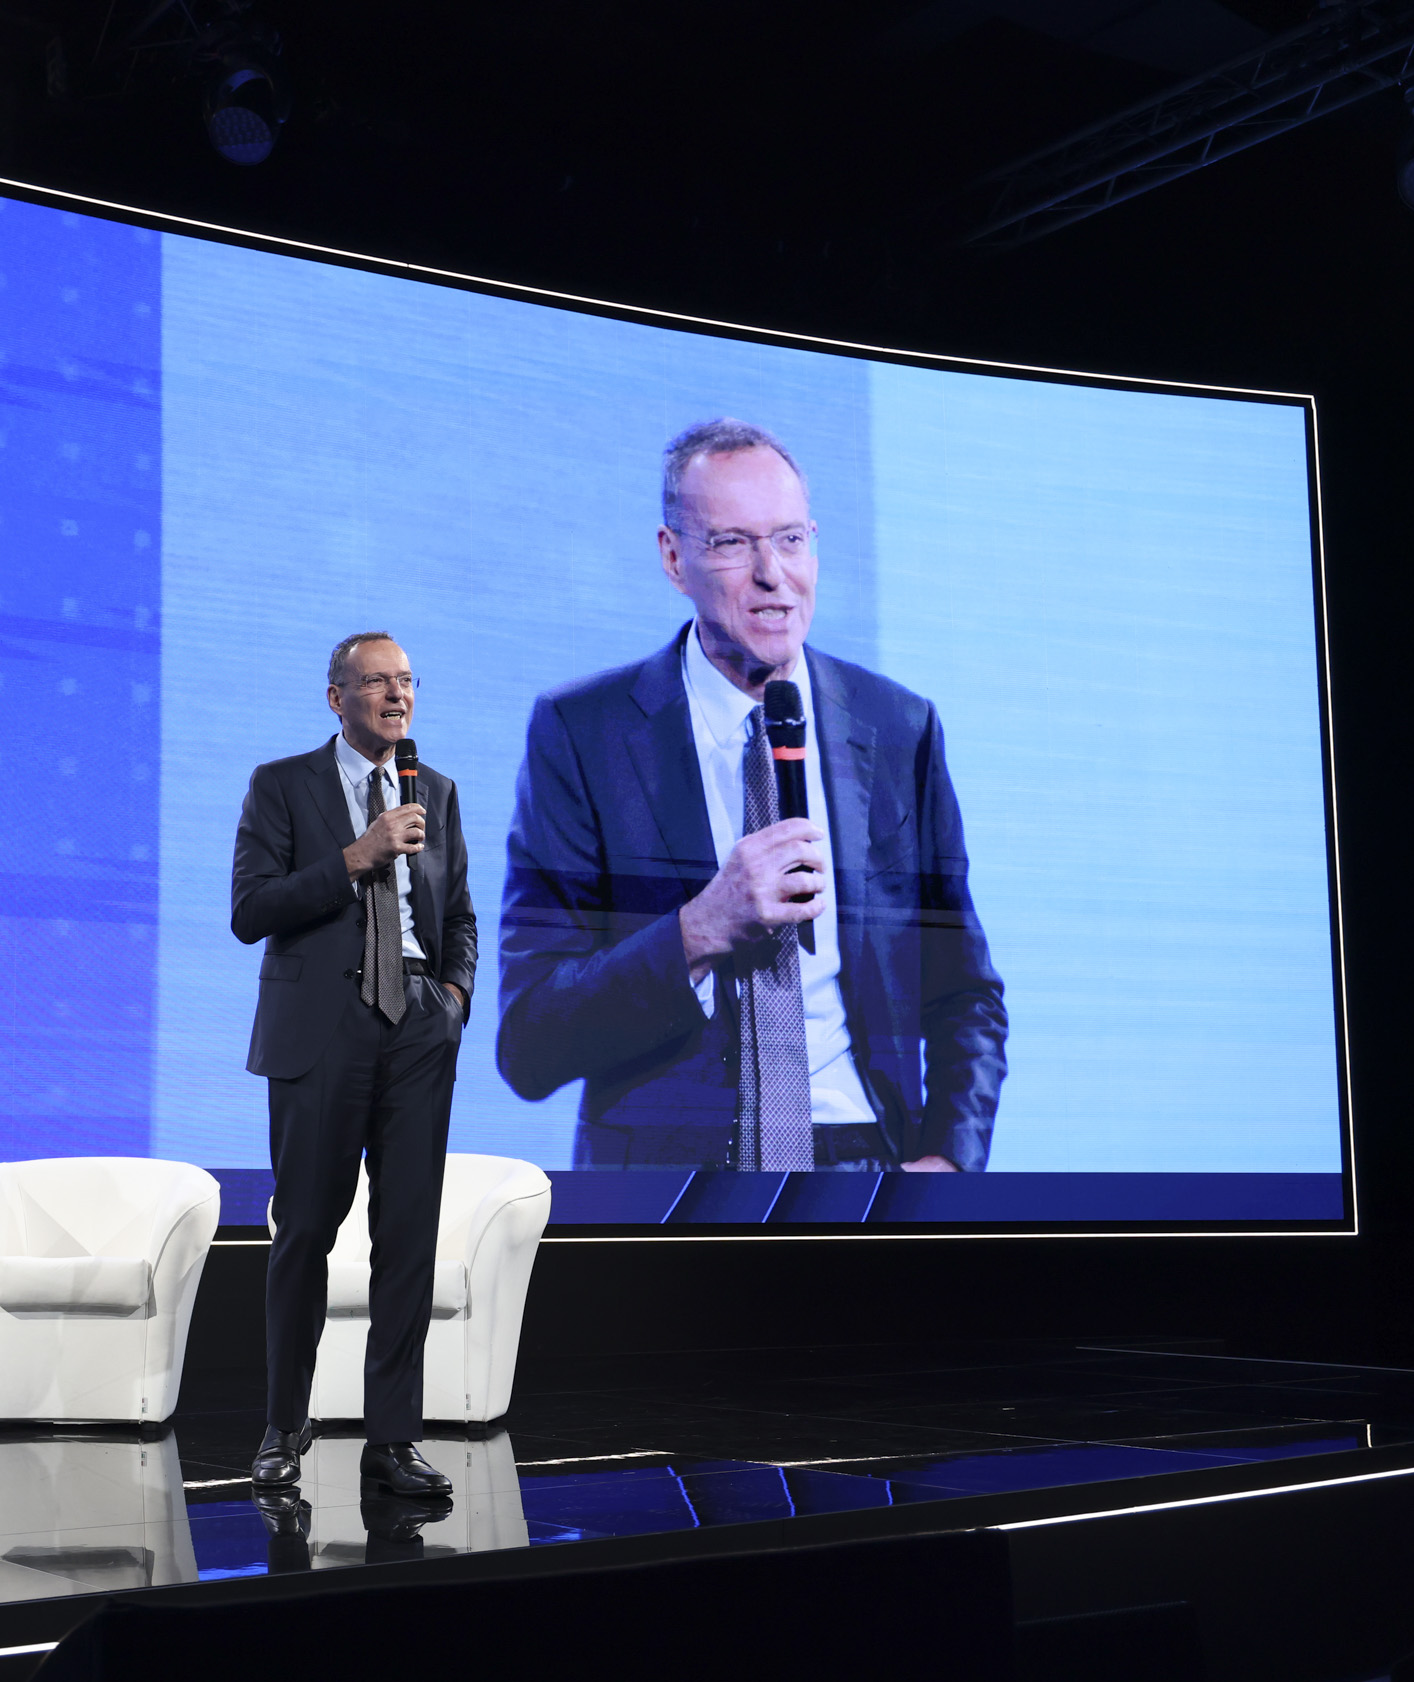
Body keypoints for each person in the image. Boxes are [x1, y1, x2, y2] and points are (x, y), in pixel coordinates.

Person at [495, 419, 1004, 1173]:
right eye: (733, 543)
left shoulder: (899, 727)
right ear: (674, 559)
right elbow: (530, 1040)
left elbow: (966, 993)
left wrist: (948, 1163)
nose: (774, 574)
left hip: (867, 1165)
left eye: (791, 539)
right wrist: (698, 930)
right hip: (674, 1185)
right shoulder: (585, 732)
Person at [231, 631, 478, 1496]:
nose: (397, 694)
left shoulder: (435, 790)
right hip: (322, 1028)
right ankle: (284, 1423)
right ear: (336, 696)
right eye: (377, 681)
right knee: (305, 1229)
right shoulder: (281, 784)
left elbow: (461, 915)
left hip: (417, 1025)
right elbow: (250, 909)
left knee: (407, 1237)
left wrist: (452, 1000)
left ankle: (393, 1438)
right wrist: (354, 857)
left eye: (406, 680)